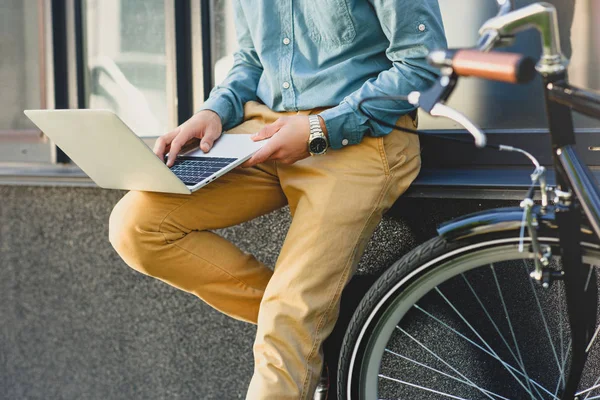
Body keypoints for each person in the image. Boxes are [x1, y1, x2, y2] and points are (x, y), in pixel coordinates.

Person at [109, 1, 446, 398]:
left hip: (361, 136)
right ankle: (316, 321)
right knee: (137, 226)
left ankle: (302, 322)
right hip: (265, 130)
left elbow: (423, 67)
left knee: (288, 320)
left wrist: (320, 128)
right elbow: (252, 61)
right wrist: (215, 110)